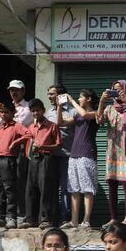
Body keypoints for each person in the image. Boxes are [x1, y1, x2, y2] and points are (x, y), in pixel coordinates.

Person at [97, 80, 126, 227]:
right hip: (112, 150)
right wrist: (102, 102)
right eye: (114, 90)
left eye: (119, 90)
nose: (116, 93)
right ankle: (113, 218)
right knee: (112, 184)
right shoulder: (109, 109)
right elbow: (99, 120)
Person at [12, 99, 61, 229]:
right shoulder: (31, 127)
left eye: (37, 110)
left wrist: (43, 146)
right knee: (30, 188)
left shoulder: (52, 126)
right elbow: (27, 141)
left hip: (46, 158)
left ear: (43, 110)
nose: (35, 113)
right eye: (33, 111)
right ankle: (31, 219)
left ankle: (45, 219)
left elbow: (58, 144)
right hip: (33, 159)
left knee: (45, 188)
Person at [61, 89, 99, 229]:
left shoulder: (95, 113)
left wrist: (71, 101)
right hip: (74, 154)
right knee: (74, 188)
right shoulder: (77, 115)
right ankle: (74, 220)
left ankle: (86, 220)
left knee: (87, 188)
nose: (78, 99)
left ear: (88, 99)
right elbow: (60, 122)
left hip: (87, 153)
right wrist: (60, 107)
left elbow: (84, 114)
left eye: (80, 97)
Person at [0, 102, 24, 229]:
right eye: (2, 112)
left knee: (9, 189)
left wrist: (16, 142)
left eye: (7, 112)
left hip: (9, 159)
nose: (3, 114)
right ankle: (0, 216)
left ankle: (11, 217)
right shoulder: (1, 128)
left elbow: (28, 134)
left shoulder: (16, 126)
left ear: (13, 113)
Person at [2, 80, 33, 227]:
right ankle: (9, 215)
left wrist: (6, 117)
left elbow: (19, 124)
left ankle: (21, 215)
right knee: (7, 185)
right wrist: (0, 113)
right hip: (5, 152)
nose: (14, 93)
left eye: (17, 90)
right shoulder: (4, 108)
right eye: (11, 90)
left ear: (23, 91)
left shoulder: (27, 108)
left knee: (20, 183)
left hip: (20, 151)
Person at [47, 85, 76, 224]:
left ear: (61, 96)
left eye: (52, 94)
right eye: (49, 94)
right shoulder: (47, 113)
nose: (49, 96)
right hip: (51, 156)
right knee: (51, 187)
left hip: (67, 155)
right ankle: (52, 218)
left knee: (65, 188)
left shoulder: (72, 111)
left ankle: (65, 218)